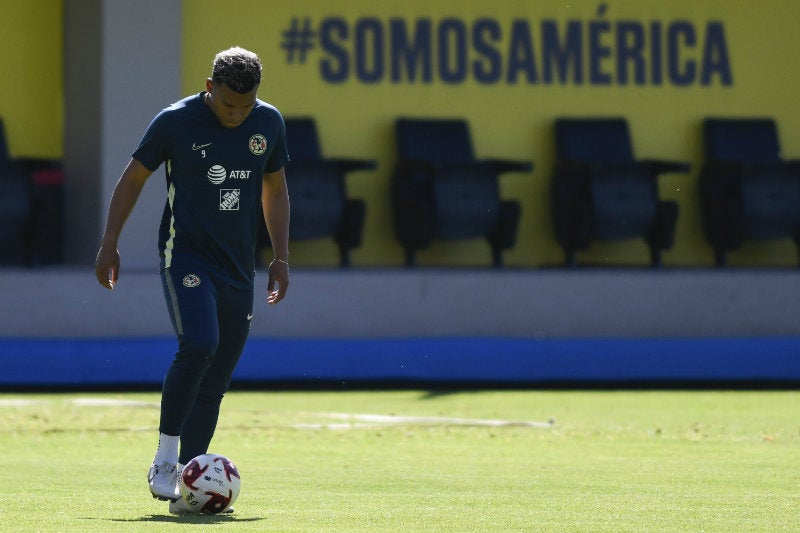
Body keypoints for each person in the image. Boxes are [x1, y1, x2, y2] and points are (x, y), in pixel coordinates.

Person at [94, 46, 290, 514]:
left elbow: (276, 189)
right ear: (209, 88)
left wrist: (281, 256)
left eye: (246, 106)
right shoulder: (174, 121)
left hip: (239, 267)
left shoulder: (269, 123)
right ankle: (165, 460)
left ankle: (188, 480)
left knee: (216, 377)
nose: (237, 115)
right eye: (227, 106)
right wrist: (109, 242)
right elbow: (133, 178)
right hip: (185, 257)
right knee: (200, 343)